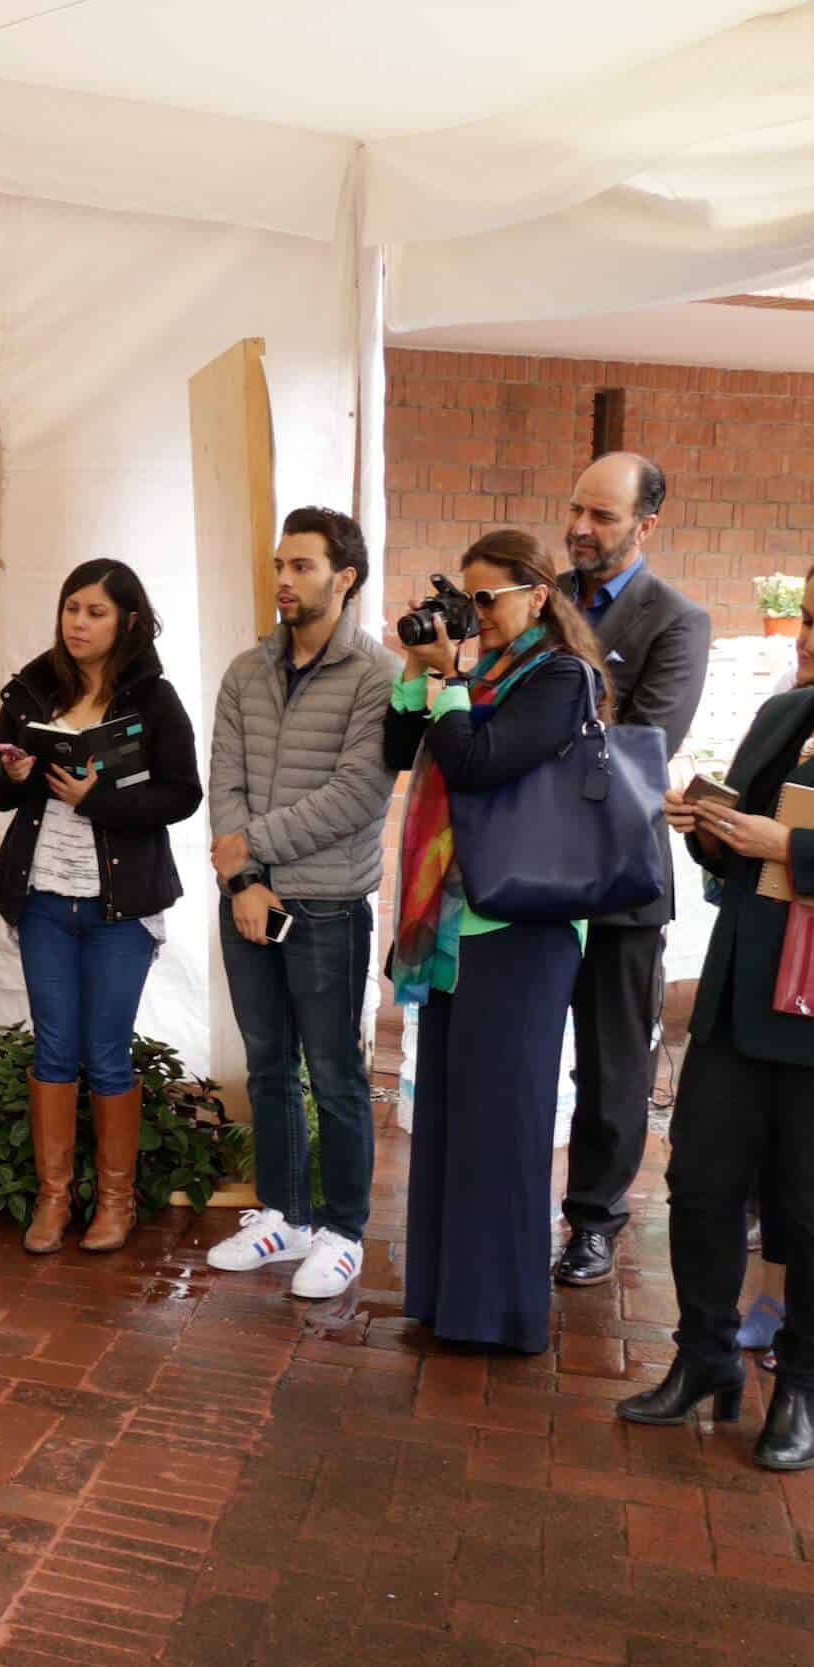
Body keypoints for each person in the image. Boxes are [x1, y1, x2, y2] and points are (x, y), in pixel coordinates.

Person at [385, 528, 615, 1354]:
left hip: (524, 925)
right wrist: (422, 675)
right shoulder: (478, 673)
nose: (475, 614)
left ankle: (503, 1314)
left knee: (506, 1122)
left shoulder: (561, 676)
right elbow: (399, 754)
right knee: (448, 1114)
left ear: (538, 595)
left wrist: (448, 682)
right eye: (467, 598)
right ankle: (449, 1302)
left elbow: (479, 763)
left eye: (489, 598)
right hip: (459, 923)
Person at [623, 573, 814, 1468]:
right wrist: (706, 825)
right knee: (698, 1185)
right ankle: (704, 1358)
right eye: (808, 615)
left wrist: (796, 850)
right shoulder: (787, 713)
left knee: (806, 1214)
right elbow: (742, 839)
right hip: (742, 1003)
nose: (807, 635)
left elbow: (786, 848)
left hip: (811, 1027)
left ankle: (802, 1390)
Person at [0, 559, 202, 1255]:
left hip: (120, 907)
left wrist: (95, 799)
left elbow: (183, 794)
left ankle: (114, 1202)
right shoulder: (33, 686)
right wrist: (15, 775)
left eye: (95, 611)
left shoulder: (154, 700)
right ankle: (53, 1200)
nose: (78, 622)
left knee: (105, 1054)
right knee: (54, 1049)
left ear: (128, 621)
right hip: (43, 898)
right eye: (71, 607)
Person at [205, 508, 399, 1299]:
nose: (283, 579)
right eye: (279, 564)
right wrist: (242, 881)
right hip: (248, 897)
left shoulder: (377, 675)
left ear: (344, 577)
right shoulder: (246, 671)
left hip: (325, 904)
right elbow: (225, 780)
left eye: (303, 566)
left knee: (333, 1071)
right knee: (268, 1064)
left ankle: (344, 1229)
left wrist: (252, 849)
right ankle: (283, 1213)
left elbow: (357, 793)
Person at [554, 453, 711, 1288]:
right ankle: (508, 1199)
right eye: (577, 507)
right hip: (525, 880)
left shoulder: (676, 621)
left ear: (647, 525)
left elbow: (644, 748)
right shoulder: (535, 598)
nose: (581, 527)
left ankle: (593, 1221)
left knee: (613, 1063)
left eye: (604, 516)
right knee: (520, 1043)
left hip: (618, 881)